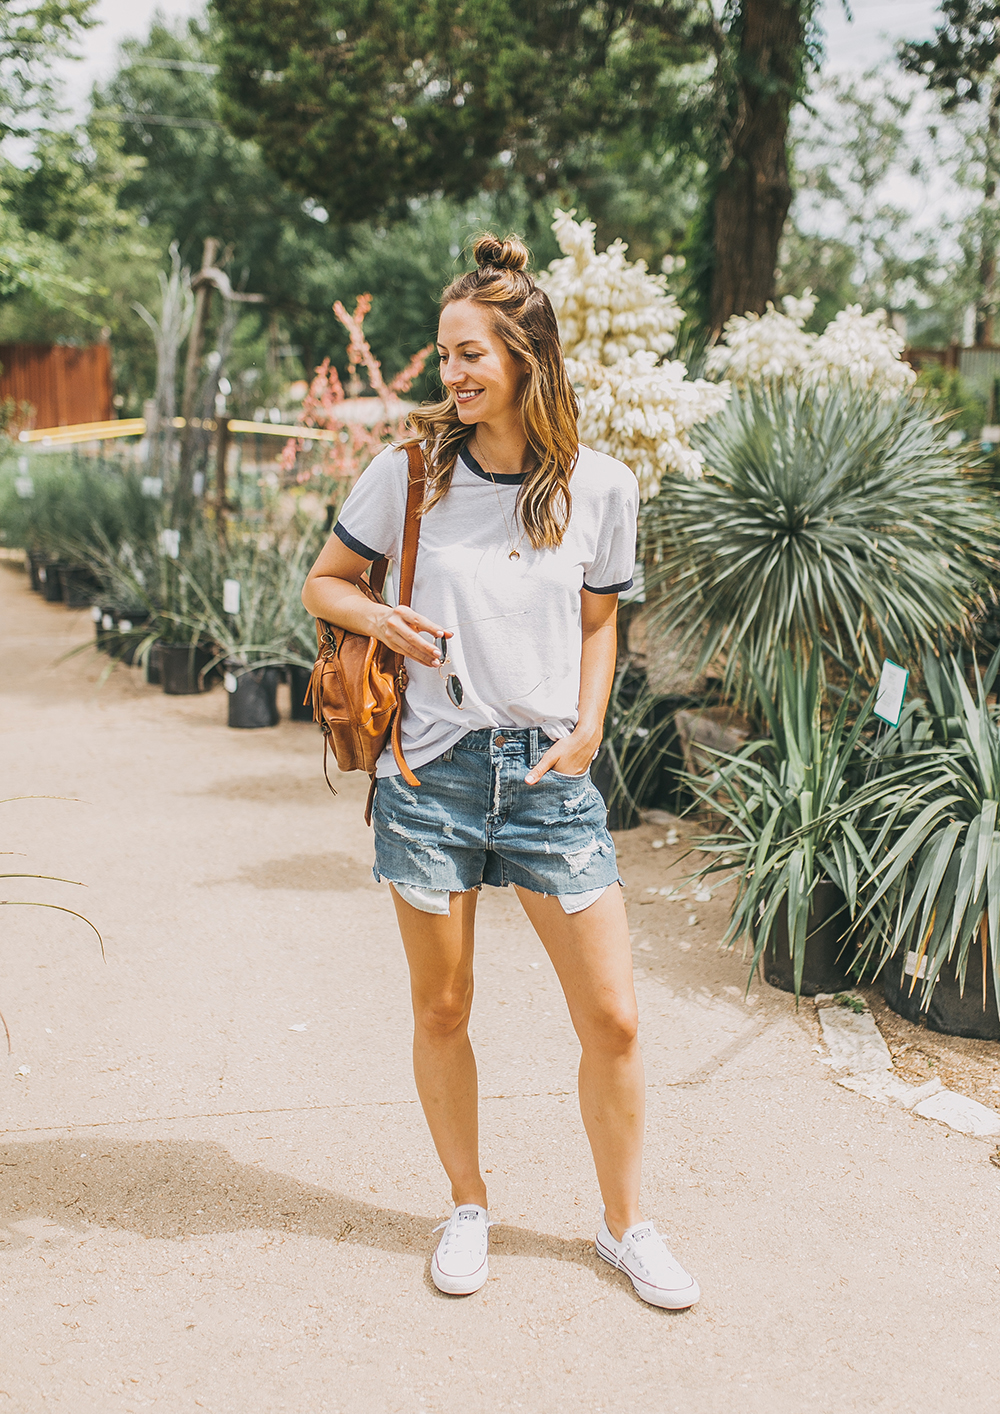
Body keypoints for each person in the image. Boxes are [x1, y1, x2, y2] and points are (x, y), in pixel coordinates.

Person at [302, 234, 699, 1310]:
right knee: (443, 1007)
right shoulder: (412, 473)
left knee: (612, 1016)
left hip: (548, 779)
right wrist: (381, 612)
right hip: (430, 775)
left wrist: (590, 730)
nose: (454, 373)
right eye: (442, 357)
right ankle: (467, 1202)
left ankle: (626, 1225)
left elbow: (600, 621)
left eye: (471, 353)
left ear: (526, 354)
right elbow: (323, 584)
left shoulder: (599, 485)